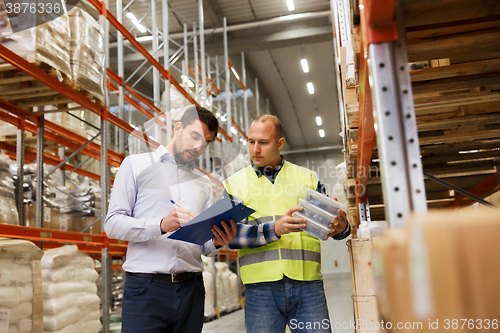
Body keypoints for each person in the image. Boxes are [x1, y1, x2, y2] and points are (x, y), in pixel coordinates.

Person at [105, 106, 237, 333]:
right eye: (194, 136)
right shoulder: (136, 165)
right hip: (146, 290)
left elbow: (202, 244)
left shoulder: (203, 183)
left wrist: (217, 240)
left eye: (205, 143)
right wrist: (160, 225)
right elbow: (113, 224)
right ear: (178, 128)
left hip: (192, 290)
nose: (198, 147)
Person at [221, 115, 351, 333]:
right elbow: (230, 237)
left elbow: (330, 225)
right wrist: (275, 229)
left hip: (308, 285)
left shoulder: (307, 178)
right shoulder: (235, 184)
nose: (255, 149)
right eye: (251, 142)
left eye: (263, 142)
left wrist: (341, 228)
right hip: (260, 290)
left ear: (280, 143)